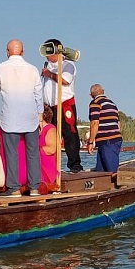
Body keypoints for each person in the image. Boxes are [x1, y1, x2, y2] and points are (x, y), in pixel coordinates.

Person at [0, 39, 43, 196]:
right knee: (33, 152)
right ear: (23, 51)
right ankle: (34, 187)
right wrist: (40, 116)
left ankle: (14, 188)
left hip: (10, 117)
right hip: (31, 117)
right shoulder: (32, 69)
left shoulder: (0, 67)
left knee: (11, 153)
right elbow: (38, 95)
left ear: (7, 52)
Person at [41, 39, 82, 173]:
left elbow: (65, 80)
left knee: (69, 134)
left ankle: (75, 166)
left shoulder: (68, 65)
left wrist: (50, 74)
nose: (47, 56)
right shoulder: (47, 65)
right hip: (49, 107)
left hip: (65, 105)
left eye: (50, 52)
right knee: (50, 135)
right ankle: (52, 167)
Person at [86, 84, 122, 172]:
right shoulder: (112, 103)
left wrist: (90, 142)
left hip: (107, 141)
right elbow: (118, 123)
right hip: (115, 139)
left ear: (91, 95)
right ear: (103, 91)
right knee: (100, 171)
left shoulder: (95, 103)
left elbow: (95, 123)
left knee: (111, 171)